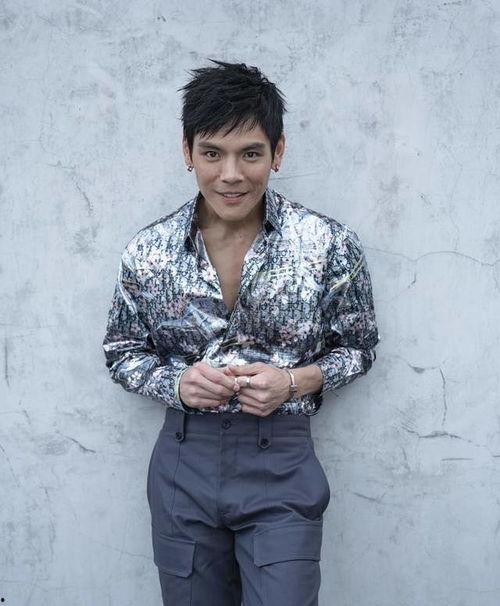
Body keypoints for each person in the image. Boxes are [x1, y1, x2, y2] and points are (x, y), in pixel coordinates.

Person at [102, 58, 379, 606]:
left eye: (250, 153)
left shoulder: (327, 243)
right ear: (188, 152)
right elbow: (122, 351)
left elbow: (359, 347)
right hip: (184, 463)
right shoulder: (147, 251)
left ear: (278, 152)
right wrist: (177, 384)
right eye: (212, 153)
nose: (231, 174)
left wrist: (293, 383)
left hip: (282, 462)